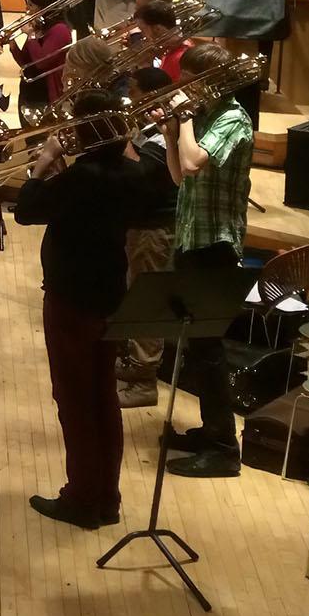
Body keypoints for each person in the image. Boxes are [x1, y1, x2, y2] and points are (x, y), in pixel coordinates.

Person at [14, 90, 170, 529]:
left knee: (73, 400)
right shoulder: (133, 172)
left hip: (70, 298)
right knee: (103, 397)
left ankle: (81, 498)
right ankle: (106, 498)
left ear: (85, 130)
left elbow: (26, 210)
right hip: (110, 295)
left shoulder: (81, 178)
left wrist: (44, 162)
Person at [163, 43, 256, 479]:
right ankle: (211, 429)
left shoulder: (233, 119)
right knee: (198, 346)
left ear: (209, 83)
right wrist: (169, 132)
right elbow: (179, 175)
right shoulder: (202, 117)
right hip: (191, 239)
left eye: (189, 81)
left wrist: (182, 120)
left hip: (215, 246)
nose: (182, 88)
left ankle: (224, 448)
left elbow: (195, 162)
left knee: (210, 348)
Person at [118, 66, 180, 409]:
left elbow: (141, 174)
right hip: (142, 226)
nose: (131, 96)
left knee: (148, 305)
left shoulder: (161, 135)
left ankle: (144, 382)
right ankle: (134, 364)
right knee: (135, 296)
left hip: (155, 230)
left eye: (134, 89)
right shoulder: (152, 129)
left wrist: (124, 140)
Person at [9, 0, 73, 117]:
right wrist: (13, 45)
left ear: (43, 6)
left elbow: (42, 62)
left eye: (31, 5)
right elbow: (27, 63)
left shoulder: (59, 30)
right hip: (31, 88)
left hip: (46, 92)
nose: (27, 9)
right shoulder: (39, 26)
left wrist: (31, 36)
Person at [135, 0, 191, 80]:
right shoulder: (170, 50)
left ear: (157, 29)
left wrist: (144, 65)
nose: (142, 35)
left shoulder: (178, 58)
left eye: (143, 30)